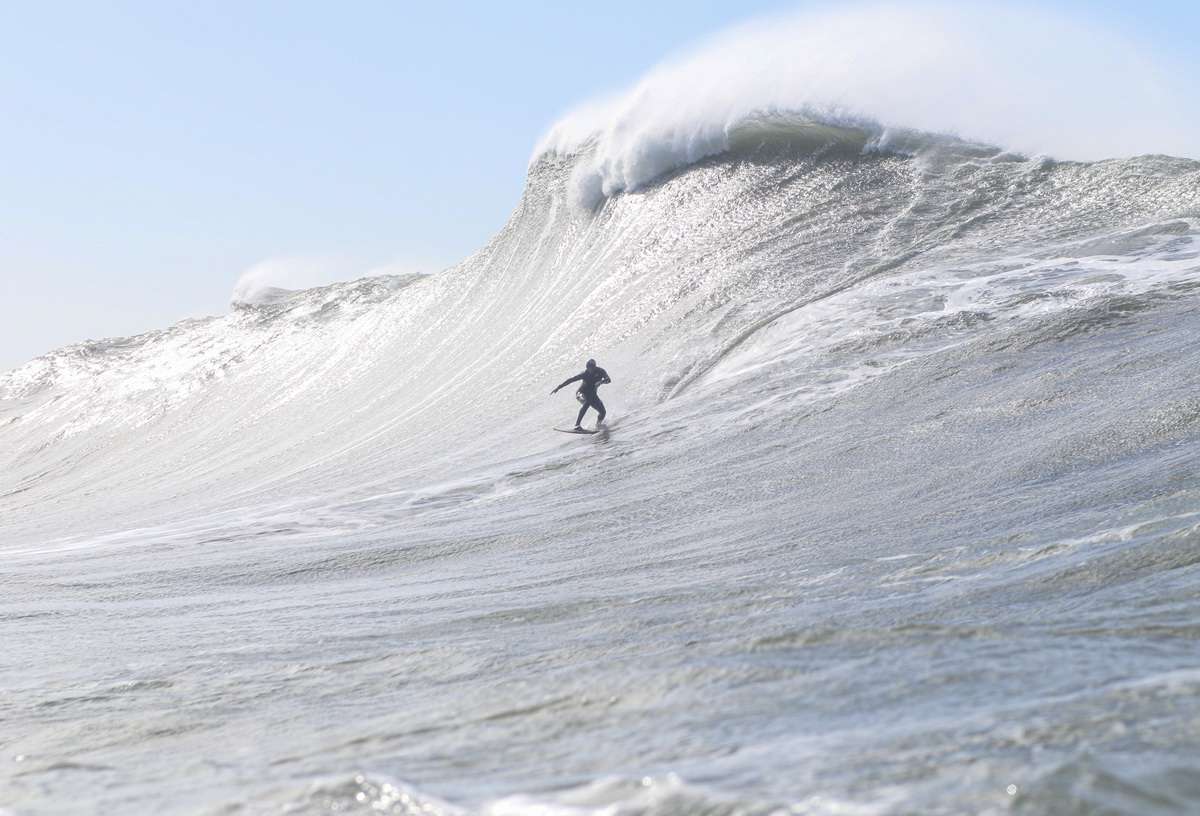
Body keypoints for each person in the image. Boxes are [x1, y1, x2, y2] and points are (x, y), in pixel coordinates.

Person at [551, 358, 612, 430]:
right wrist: (558, 387)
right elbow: (570, 380)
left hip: (593, 395)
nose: (591, 370)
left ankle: (598, 425)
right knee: (588, 402)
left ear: (595, 367)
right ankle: (577, 426)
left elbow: (609, 380)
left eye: (592, 368)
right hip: (581, 393)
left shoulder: (601, 371)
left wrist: (601, 382)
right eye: (589, 368)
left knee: (603, 412)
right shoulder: (584, 374)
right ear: (587, 367)